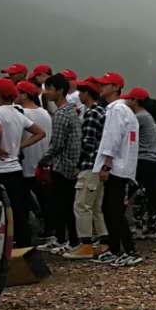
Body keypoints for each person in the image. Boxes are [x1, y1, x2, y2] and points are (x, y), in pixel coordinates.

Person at [0, 78, 40, 248]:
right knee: (18, 210)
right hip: (15, 169)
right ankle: (23, 245)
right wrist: (19, 146)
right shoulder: (17, 113)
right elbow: (40, 133)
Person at [93, 81, 142, 265]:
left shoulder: (116, 109)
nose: (101, 87)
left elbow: (112, 139)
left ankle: (129, 250)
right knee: (109, 208)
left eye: (105, 84)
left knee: (114, 211)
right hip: (122, 166)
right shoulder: (124, 109)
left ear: (115, 87)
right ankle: (114, 249)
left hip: (116, 167)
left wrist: (106, 165)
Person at [64, 80, 109, 259]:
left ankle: (86, 244)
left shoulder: (91, 114)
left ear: (87, 94)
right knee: (96, 207)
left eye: (81, 92)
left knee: (81, 205)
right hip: (99, 165)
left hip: (89, 165)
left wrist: (77, 164)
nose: (79, 95)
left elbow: (87, 143)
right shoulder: (102, 111)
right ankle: (104, 241)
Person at [41, 74, 82, 251]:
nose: (46, 93)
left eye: (50, 89)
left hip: (63, 166)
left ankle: (70, 241)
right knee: (65, 205)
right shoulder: (71, 111)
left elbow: (57, 144)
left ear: (60, 90)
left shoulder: (61, 114)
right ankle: (64, 239)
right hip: (71, 165)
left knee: (63, 206)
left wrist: (43, 159)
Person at [128, 89, 156, 245]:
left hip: (145, 162)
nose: (127, 102)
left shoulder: (140, 117)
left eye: (130, 99)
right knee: (154, 198)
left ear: (136, 101)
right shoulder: (148, 117)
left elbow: (126, 134)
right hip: (153, 162)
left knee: (137, 196)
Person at [16, 81, 53, 241]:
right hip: (42, 164)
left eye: (18, 92)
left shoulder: (21, 113)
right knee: (45, 200)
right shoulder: (45, 113)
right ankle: (49, 230)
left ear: (25, 95)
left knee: (23, 201)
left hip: (26, 164)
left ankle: (25, 233)